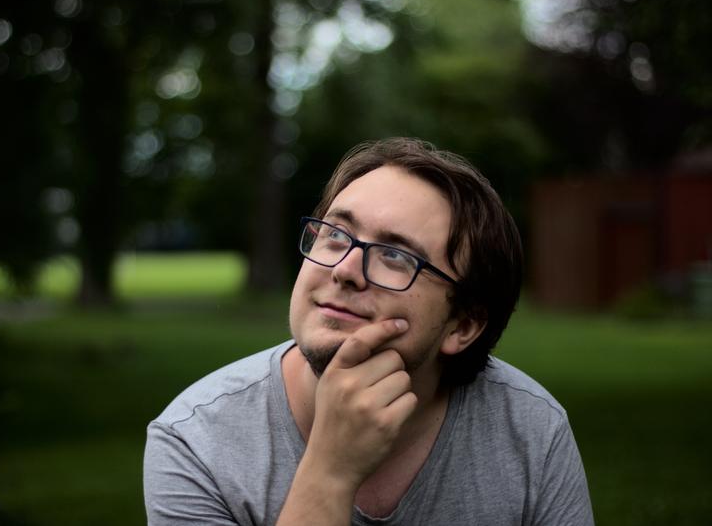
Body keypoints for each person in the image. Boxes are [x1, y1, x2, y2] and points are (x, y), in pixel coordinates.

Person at [143, 137, 594, 525]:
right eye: (335, 234)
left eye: (396, 257)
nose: (344, 269)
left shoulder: (530, 431)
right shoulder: (197, 440)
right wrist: (329, 472)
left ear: (463, 325)